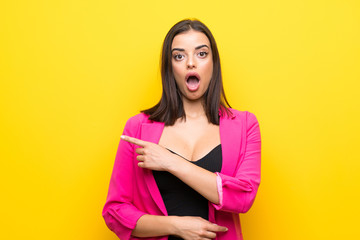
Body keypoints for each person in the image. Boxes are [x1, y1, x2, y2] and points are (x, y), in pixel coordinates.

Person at [102, 19, 261, 240]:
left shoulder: (245, 125)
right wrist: (175, 226)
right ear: (170, 68)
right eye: (179, 56)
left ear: (213, 63)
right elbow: (115, 212)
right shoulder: (138, 127)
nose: (190, 63)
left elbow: (243, 198)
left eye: (201, 54)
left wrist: (171, 162)